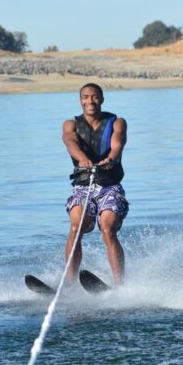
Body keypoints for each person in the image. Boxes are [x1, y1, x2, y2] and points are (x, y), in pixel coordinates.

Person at [62, 83, 129, 285]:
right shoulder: (70, 124)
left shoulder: (117, 122)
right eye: (85, 97)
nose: (90, 101)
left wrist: (111, 158)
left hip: (110, 186)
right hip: (83, 187)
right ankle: (71, 284)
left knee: (108, 227)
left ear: (102, 99)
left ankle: (120, 286)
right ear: (80, 100)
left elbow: (118, 143)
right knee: (76, 225)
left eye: (94, 97)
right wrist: (82, 158)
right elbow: (70, 142)